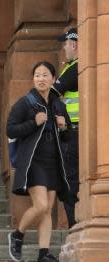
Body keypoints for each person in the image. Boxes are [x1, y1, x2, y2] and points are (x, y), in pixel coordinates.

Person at [6, 61, 71, 262]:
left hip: (53, 162)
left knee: (48, 208)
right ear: (33, 79)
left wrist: (64, 127)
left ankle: (43, 253)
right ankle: (17, 234)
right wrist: (33, 122)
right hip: (33, 161)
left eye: (45, 75)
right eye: (37, 75)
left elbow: (67, 137)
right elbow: (11, 129)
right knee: (41, 205)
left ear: (53, 78)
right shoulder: (26, 102)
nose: (41, 79)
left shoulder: (58, 104)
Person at [53, 28, 79, 228]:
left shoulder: (75, 68)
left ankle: (74, 227)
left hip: (73, 133)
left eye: (65, 44)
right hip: (74, 131)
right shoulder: (72, 67)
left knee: (69, 182)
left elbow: (52, 93)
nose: (63, 49)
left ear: (74, 44)